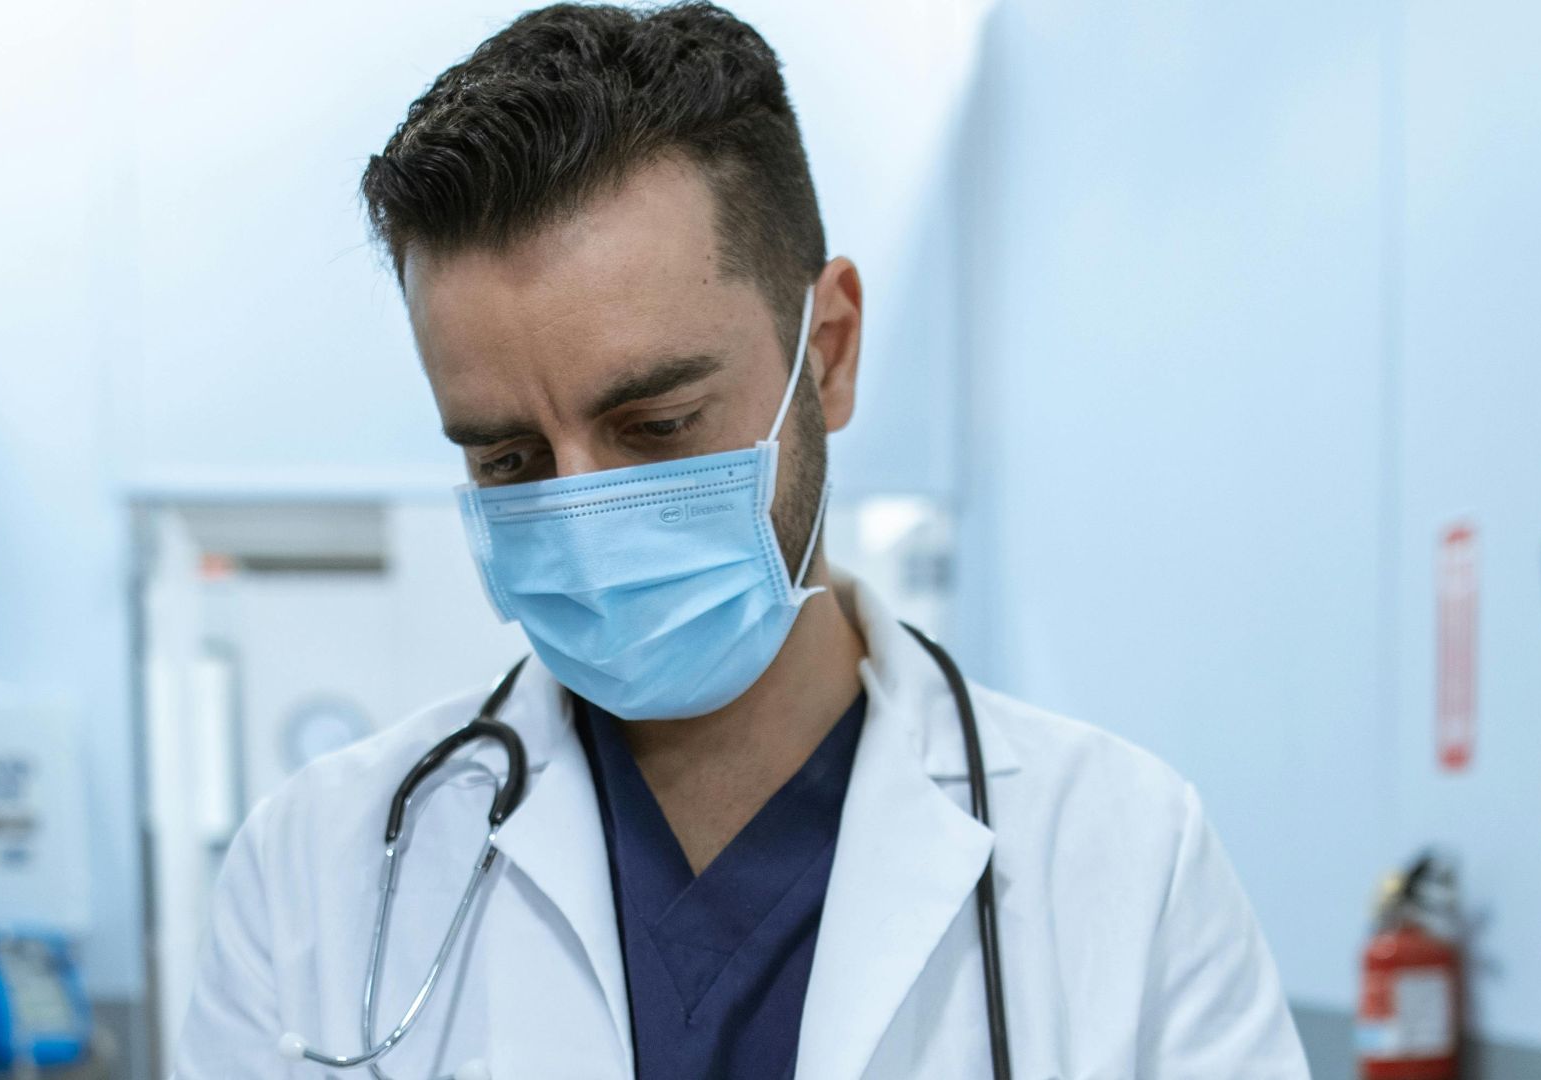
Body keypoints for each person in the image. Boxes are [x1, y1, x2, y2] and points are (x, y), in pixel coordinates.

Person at [174, 3, 1309, 1077]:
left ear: (830, 351)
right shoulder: (315, 874)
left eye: (657, 426)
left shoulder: (1120, 853)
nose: (581, 519)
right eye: (508, 461)